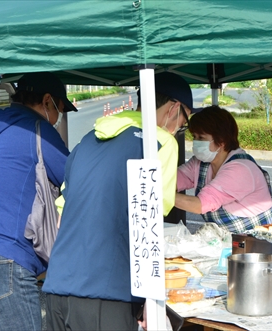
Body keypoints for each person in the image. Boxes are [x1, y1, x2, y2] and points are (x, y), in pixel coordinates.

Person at [41, 72, 194, 331]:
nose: (179, 128)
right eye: (184, 121)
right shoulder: (160, 141)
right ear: (174, 108)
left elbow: (61, 214)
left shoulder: (88, 139)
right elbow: (155, 215)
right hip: (107, 293)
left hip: (57, 287)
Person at [0, 71, 75, 330]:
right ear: (47, 100)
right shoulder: (39, 128)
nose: (58, 116)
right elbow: (78, 180)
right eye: (60, 108)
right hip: (1, 260)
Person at [175, 105, 272, 233]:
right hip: (237, 243)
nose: (195, 142)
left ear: (221, 140)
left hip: (268, 243)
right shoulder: (200, 163)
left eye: (201, 138)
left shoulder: (240, 169)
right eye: (194, 137)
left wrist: (161, 196)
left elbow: (201, 204)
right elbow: (172, 181)